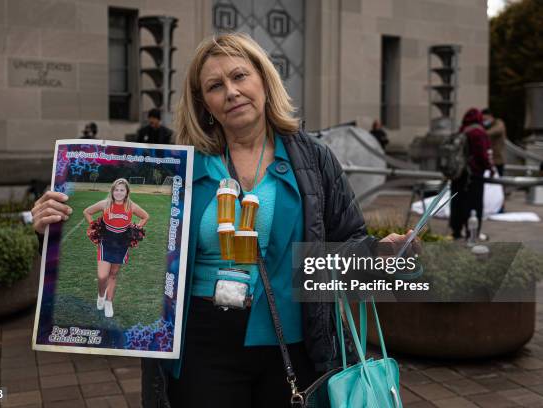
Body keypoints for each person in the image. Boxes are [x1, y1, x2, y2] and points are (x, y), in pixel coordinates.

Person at [32, 33, 415, 407]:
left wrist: (377, 252)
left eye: (240, 76)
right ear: (205, 104)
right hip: (200, 347)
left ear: (264, 80)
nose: (231, 91)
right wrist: (55, 226)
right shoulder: (175, 167)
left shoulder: (314, 159)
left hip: (293, 343)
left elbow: (347, 238)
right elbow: (133, 242)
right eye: (215, 86)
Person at [82, 178, 149, 318]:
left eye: (122, 190)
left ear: (127, 192)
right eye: (116, 190)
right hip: (106, 241)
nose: (119, 193)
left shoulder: (131, 206)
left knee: (112, 275)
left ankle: (108, 302)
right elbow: (87, 212)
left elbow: (145, 216)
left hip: (121, 243)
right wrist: (94, 226)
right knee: (102, 276)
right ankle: (101, 296)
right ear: (112, 191)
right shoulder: (105, 204)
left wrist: (136, 229)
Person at [449, 108, 494, 241]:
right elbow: (482, 154)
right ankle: (472, 233)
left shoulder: (462, 130)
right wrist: (489, 168)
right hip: (473, 175)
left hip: (458, 173)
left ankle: (456, 231)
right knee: (474, 204)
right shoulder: (478, 132)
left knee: (457, 202)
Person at [482, 108, 506, 177]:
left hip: (497, 160)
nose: (484, 121)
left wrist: (481, 133)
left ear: (490, 116)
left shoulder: (499, 123)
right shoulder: (486, 126)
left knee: (498, 182)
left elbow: (497, 130)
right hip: (487, 160)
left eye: (485, 119)